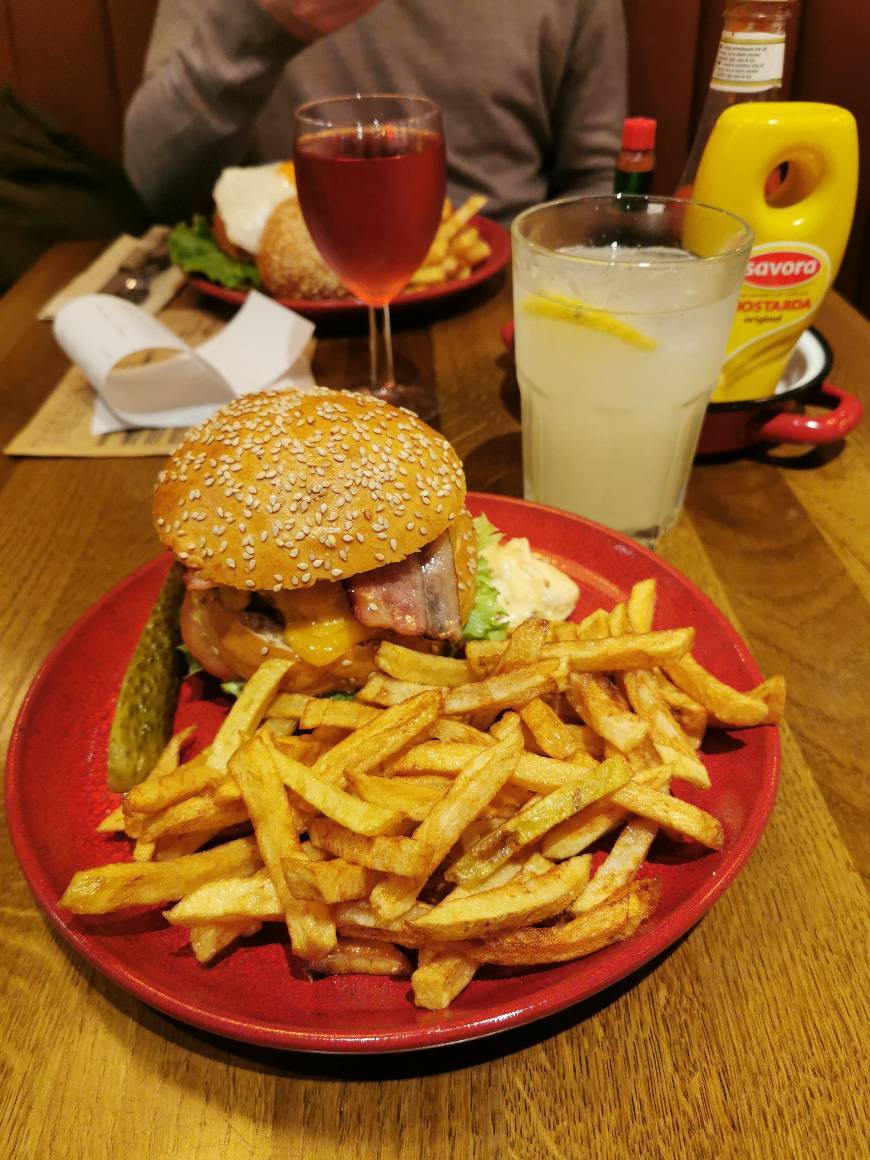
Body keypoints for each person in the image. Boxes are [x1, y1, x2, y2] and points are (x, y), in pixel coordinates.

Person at [125, 0, 627, 226]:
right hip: (273, 316)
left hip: (499, 302)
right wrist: (259, 27)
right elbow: (155, 184)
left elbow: (594, 181)